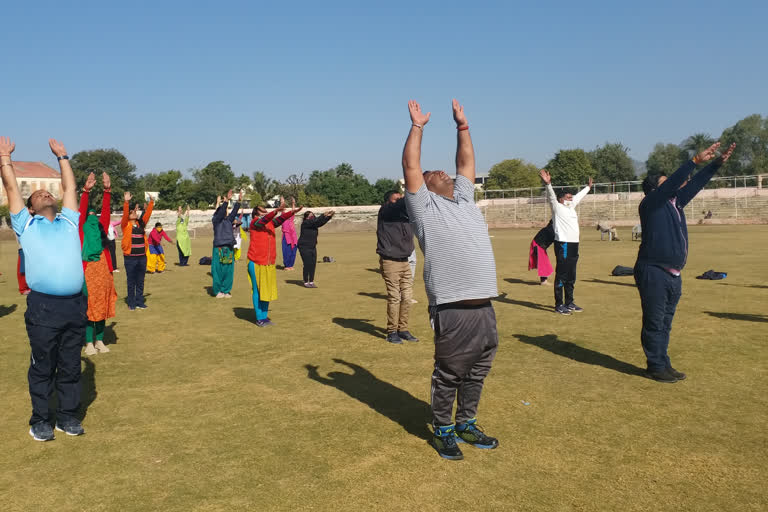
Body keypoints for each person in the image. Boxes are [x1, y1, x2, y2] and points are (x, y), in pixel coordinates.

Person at [402, 99, 500, 460]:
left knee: (477, 373)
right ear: (423, 187)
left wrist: (463, 127)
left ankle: (466, 423)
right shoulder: (423, 208)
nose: (441, 172)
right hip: (453, 308)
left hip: (484, 307)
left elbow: (466, 163)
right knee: (449, 375)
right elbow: (411, 164)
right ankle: (443, 429)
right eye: (433, 174)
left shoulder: (464, 200)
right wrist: (418, 126)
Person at [2, 136, 87, 441]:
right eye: (37, 194)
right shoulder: (26, 225)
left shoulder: (68, 223)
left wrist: (63, 157)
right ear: (30, 208)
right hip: (44, 308)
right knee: (43, 366)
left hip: (75, 305)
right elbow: (12, 188)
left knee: (70, 365)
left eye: (46, 192)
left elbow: (70, 189)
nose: (43, 193)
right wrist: (5, 159)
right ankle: (41, 420)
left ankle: (67, 417)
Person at [635, 142, 735, 383]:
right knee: (655, 322)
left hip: (672, 275)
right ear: (654, 190)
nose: (674, 184)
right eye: (665, 182)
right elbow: (671, 185)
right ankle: (655, 366)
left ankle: (663, 362)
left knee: (665, 323)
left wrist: (716, 164)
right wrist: (693, 161)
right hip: (654, 272)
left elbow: (696, 184)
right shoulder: (650, 205)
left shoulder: (675, 203)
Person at [539, 170, 592, 315]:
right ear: (562, 199)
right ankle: (559, 304)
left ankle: (569, 302)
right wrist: (548, 184)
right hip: (563, 244)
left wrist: (588, 187)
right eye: (568, 198)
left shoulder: (571, 206)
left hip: (574, 245)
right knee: (562, 275)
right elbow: (551, 196)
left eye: (571, 198)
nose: (571, 199)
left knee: (571, 275)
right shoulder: (557, 207)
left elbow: (579, 197)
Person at [78, 172, 118, 356]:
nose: (93, 217)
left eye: (96, 215)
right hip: (87, 272)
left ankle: (100, 340)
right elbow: (82, 210)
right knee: (89, 308)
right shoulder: (81, 229)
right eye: (90, 215)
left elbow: (106, 211)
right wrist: (86, 191)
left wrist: (107, 190)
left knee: (101, 306)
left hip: (104, 272)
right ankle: (88, 343)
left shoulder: (102, 226)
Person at [247, 197, 303, 326]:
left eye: (266, 210)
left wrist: (293, 211)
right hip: (256, 262)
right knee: (258, 291)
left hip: (268, 263)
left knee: (266, 291)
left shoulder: (269, 223)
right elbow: (265, 219)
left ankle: (264, 317)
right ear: (256, 214)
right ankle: (259, 318)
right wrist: (276, 210)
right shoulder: (255, 223)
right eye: (262, 211)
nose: (265, 212)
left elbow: (280, 219)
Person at [376, 190, 418, 344]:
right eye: (395, 199)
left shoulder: (404, 215)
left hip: (405, 260)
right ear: (387, 201)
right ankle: (392, 331)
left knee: (407, 297)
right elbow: (399, 205)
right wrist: (414, 190)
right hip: (390, 261)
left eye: (400, 198)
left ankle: (403, 329)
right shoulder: (385, 211)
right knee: (395, 297)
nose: (399, 201)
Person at [121, 192, 154, 310]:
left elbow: (148, 214)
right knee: (131, 281)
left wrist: (151, 202)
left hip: (142, 257)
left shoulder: (140, 225)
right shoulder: (125, 225)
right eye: (131, 212)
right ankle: (131, 303)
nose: (133, 213)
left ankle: (140, 302)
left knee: (140, 281)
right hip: (130, 258)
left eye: (134, 212)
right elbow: (125, 215)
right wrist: (126, 202)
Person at [211, 190, 242, 298]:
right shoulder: (216, 220)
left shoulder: (228, 220)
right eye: (223, 211)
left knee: (228, 270)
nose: (225, 212)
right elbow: (220, 213)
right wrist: (226, 201)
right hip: (219, 247)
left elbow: (233, 213)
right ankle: (217, 290)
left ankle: (226, 290)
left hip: (229, 247)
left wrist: (238, 201)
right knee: (218, 270)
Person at [297, 209, 334, 287]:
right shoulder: (305, 223)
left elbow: (320, 222)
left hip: (312, 246)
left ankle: (311, 281)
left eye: (313, 215)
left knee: (313, 264)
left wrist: (328, 217)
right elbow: (315, 221)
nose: (312, 217)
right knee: (307, 264)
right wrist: (323, 215)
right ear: (306, 217)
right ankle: (306, 281)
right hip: (304, 247)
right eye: (310, 216)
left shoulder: (314, 224)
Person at [528, 220, 555, 285]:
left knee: (544, 263)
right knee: (544, 264)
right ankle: (543, 281)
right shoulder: (551, 230)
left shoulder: (550, 228)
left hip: (539, 245)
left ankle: (544, 280)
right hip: (538, 245)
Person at [280, 200, 299, 270]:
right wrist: (282, 203)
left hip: (293, 237)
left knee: (293, 251)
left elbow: (293, 211)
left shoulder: (291, 219)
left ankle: (291, 265)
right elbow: (282, 211)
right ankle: (287, 265)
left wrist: (293, 203)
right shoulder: (283, 219)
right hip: (286, 237)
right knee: (286, 251)